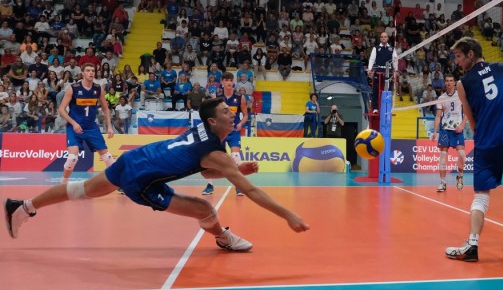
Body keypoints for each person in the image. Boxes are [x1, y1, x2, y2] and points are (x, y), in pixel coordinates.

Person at [5, 98, 310, 252]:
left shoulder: (208, 137)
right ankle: (224, 239)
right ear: (214, 122)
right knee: (204, 209)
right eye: (227, 112)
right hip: (142, 181)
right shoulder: (216, 152)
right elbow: (253, 192)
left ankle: (24, 206)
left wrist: (236, 169)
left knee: (82, 189)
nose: (233, 113)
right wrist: (288, 215)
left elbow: (203, 169)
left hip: (135, 159)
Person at [444, 37, 503, 263]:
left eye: (458, 56)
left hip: (485, 142)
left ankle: (472, 243)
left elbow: (471, 119)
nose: (457, 62)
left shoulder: (462, 83)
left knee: (481, 196)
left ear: (470, 54)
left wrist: (483, 136)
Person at [58, 63, 116, 186]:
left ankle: (119, 183)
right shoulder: (73, 88)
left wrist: (109, 126)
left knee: (107, 157)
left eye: (93, 70)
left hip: (91, 127)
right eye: (88, 70)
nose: (91, 73)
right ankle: (62, 183)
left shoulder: (98, 89)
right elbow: (61, 110)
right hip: (75, 127)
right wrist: (73, 123)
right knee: (72, 158)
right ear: (83, 73)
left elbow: (106, 109)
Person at [202, 72, 249, 197]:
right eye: (226, 80)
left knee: (235, 156)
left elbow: (245, 115)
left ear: (233, 82)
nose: (229, 82)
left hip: (234, 131)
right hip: (219, 132)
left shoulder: (240, 97)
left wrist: (241, 124)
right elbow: (210, 115)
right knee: (213, 158)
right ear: (222, 82)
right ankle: (209, 185)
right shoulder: (216, 96)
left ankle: (239, 185)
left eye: (230, 80)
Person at [432, 74, 466, 192]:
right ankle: (442, 183)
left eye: (451, 81)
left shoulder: (460, 95)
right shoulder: (441, 98)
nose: (449, 83)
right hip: (445, 129)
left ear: (454, 83)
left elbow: (467, 112)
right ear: (444, 83)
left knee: (462, 155)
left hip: (457, 129)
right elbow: (438, 116)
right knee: (443, 156)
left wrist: (462, 125)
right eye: (447, 81)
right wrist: (435, 131)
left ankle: (460, 176)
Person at [367, 31, 398, 112]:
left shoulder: (392, 49)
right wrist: (370, 69)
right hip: (378, 72)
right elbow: (372, 59)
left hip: (389, 73)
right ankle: (375, 108)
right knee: (376, 90)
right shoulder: (376, 48)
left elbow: (395, 60)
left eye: (385, 36)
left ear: (387, 38)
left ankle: (387, 107)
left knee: (388, 91)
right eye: (382, 37)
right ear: (380, 39)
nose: (384, 38)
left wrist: (396, 70)